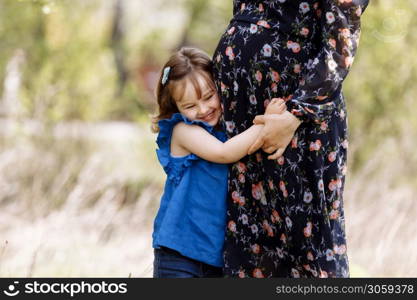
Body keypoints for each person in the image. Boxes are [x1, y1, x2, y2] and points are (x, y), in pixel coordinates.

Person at [212, 0, 370, 277]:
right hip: (241, 110)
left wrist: (295, 114)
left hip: (297, 113)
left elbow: (341, 41)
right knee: (251, 239)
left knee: (306, 240)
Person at [151, 47, 286, 278]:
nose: (203, 109)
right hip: (178, 254)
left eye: (208, 96)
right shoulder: (182, 131)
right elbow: (224, 153)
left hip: (216, 256)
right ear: (176, 107)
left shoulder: (228, 129)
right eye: (190, 106)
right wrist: (267, 122)